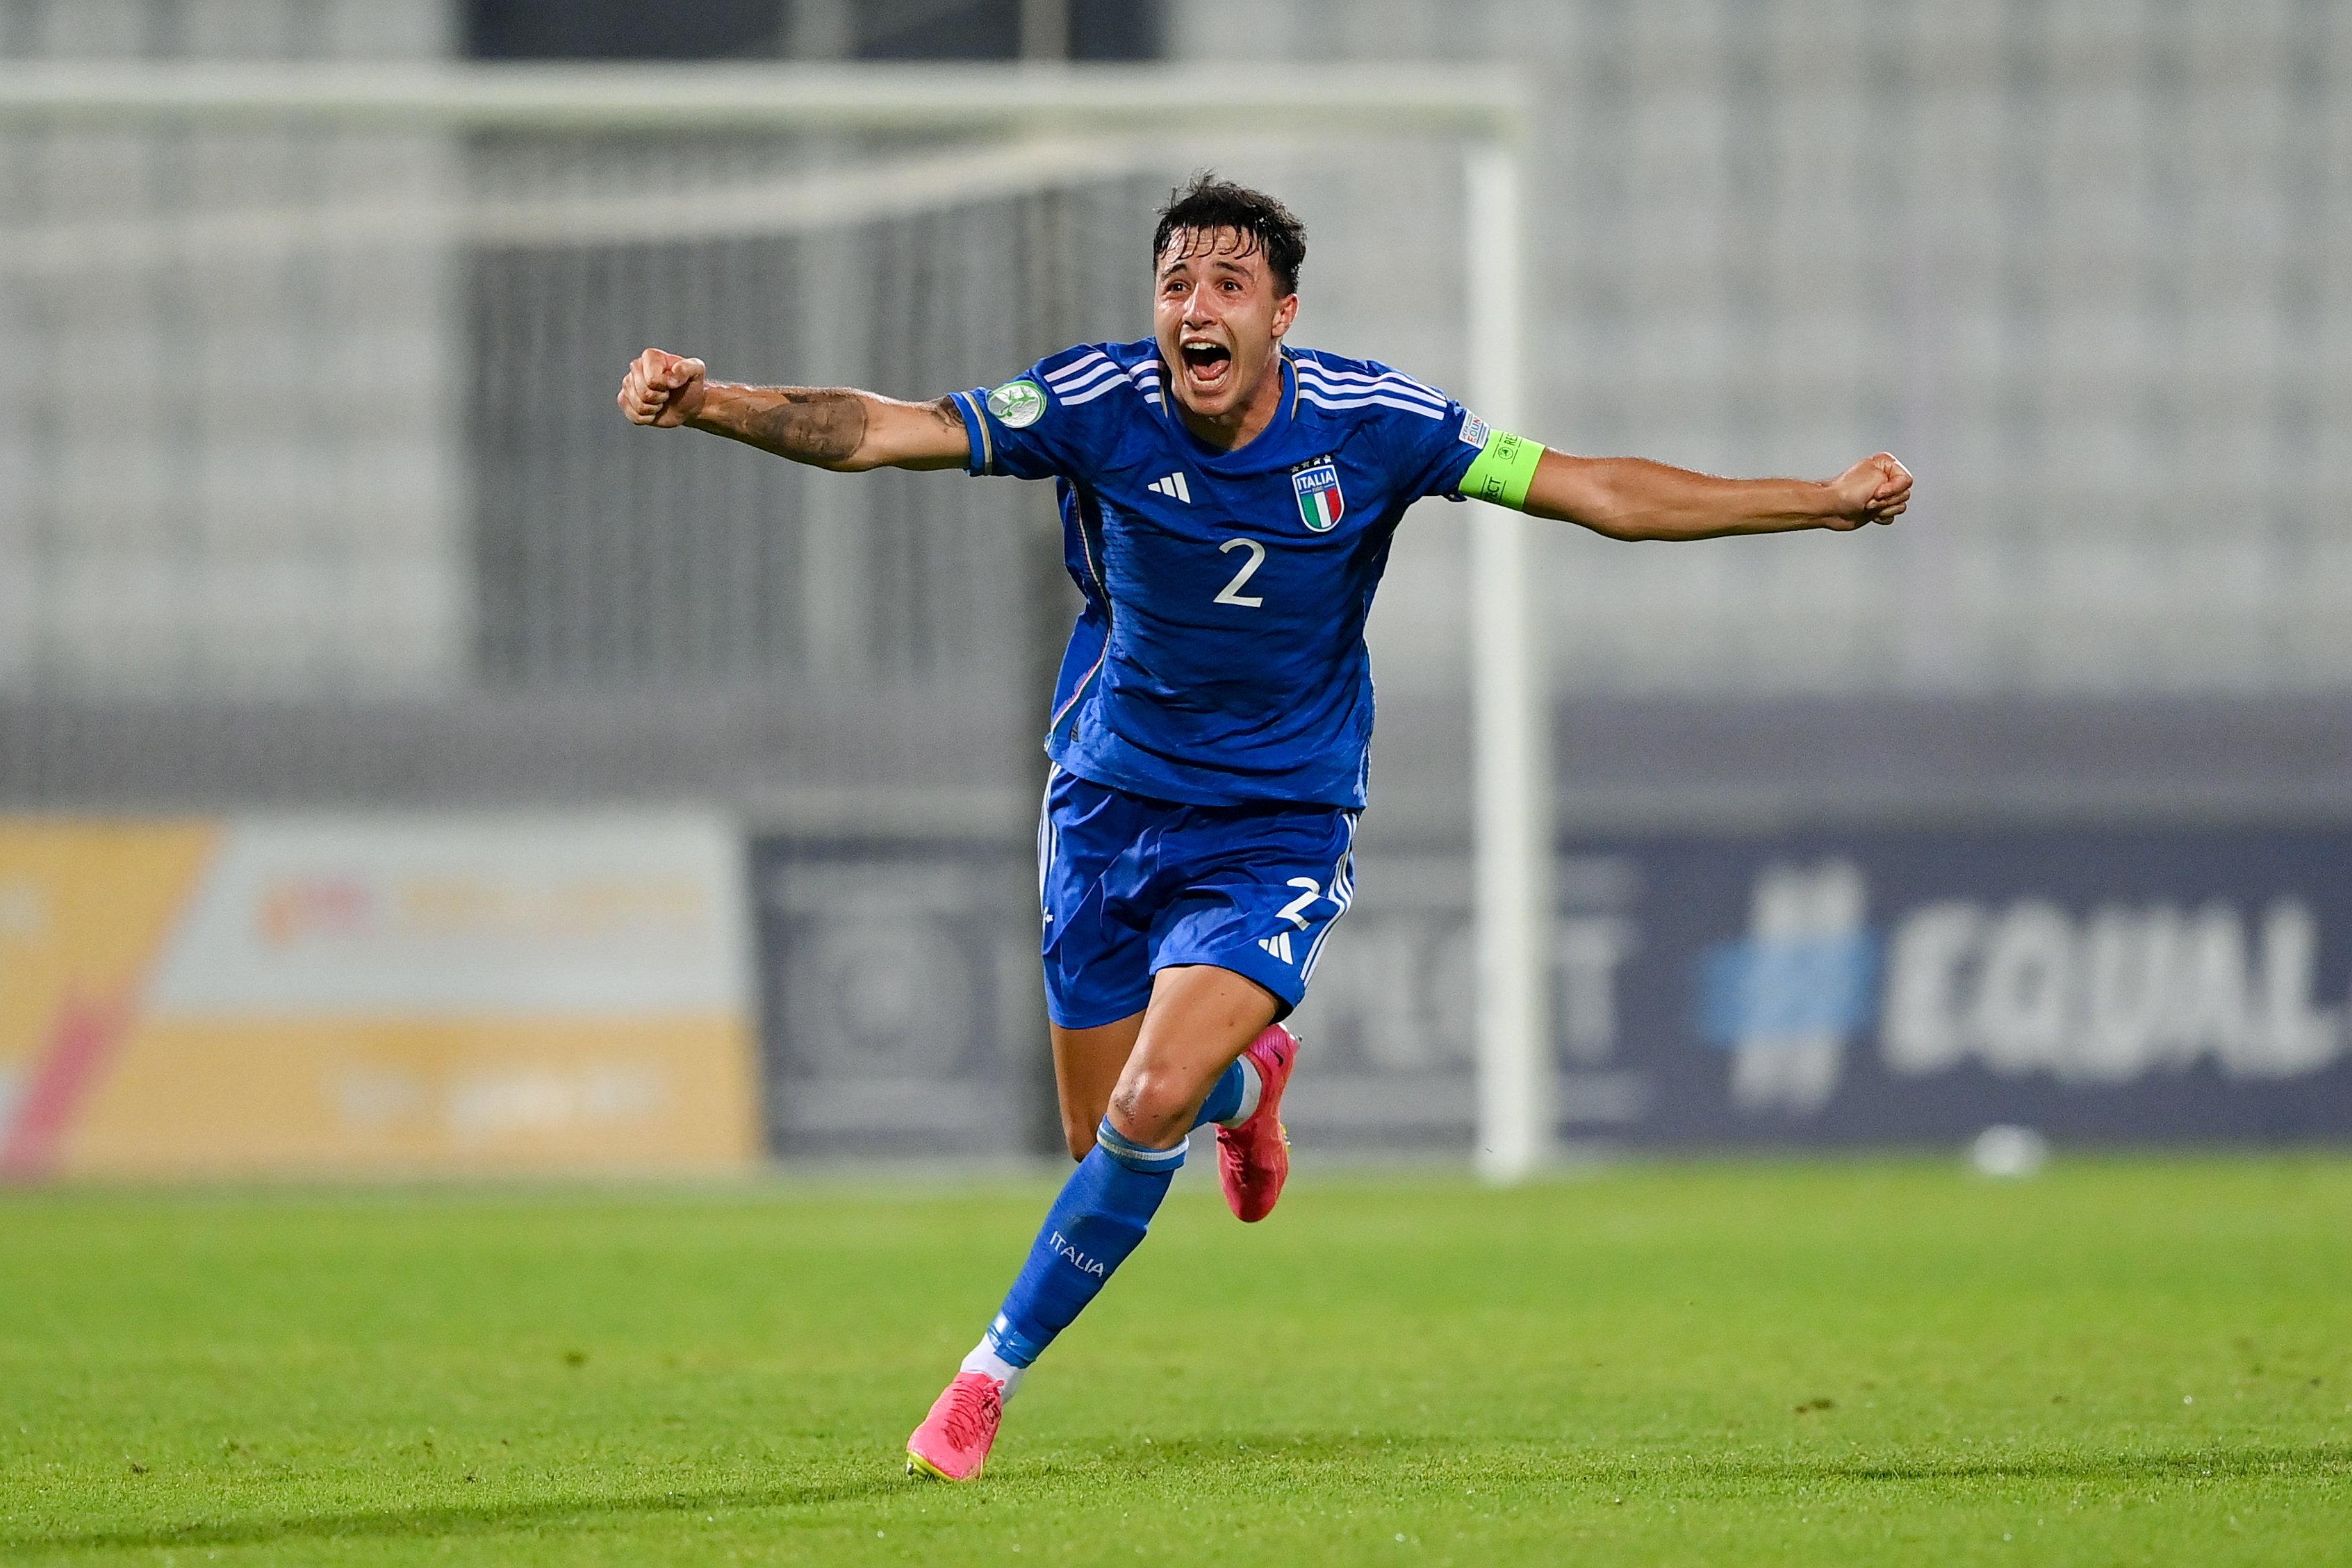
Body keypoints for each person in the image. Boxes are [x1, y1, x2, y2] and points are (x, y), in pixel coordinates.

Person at [617, 175, 1912, 1483]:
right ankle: (1255, 1082)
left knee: (1146, 1098)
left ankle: (982, 1378)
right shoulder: (1096, 404)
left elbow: (1594, 490)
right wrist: (714, 403)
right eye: (1176, 283)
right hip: (1108, 799)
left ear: (1280, 316)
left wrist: (1814, 498)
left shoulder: (1375, 426)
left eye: (1227, 286)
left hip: (1277, 819)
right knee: (1104, 1132)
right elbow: (879, 432)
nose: (1195, 307)